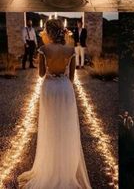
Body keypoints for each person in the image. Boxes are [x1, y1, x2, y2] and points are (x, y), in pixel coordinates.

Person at [18, 18, 91, 189]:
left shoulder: (43, 49)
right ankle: (65, 168)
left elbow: (41, 74)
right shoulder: (70, 50)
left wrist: (40, 64)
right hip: (65, 89)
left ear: (49, 32)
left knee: (50, 125)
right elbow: (72, 78)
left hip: (50, 88)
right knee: (65, 126)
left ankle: (49, 166)